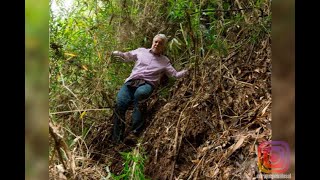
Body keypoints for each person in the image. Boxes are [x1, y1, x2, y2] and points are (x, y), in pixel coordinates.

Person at [110, 34, 188, 143]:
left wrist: (187, 71)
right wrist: (117, 54)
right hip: (131, 82)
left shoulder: (165, 61)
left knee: (140, 94)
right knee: (120, 103)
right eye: (156, 41)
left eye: (160, 43)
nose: (157, 44)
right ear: (152, 41)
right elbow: (127, 56)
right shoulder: (141, 51)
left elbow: (174, 75)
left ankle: (135, 133)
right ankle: (116, 138)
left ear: (163, 46)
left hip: (147, 83)